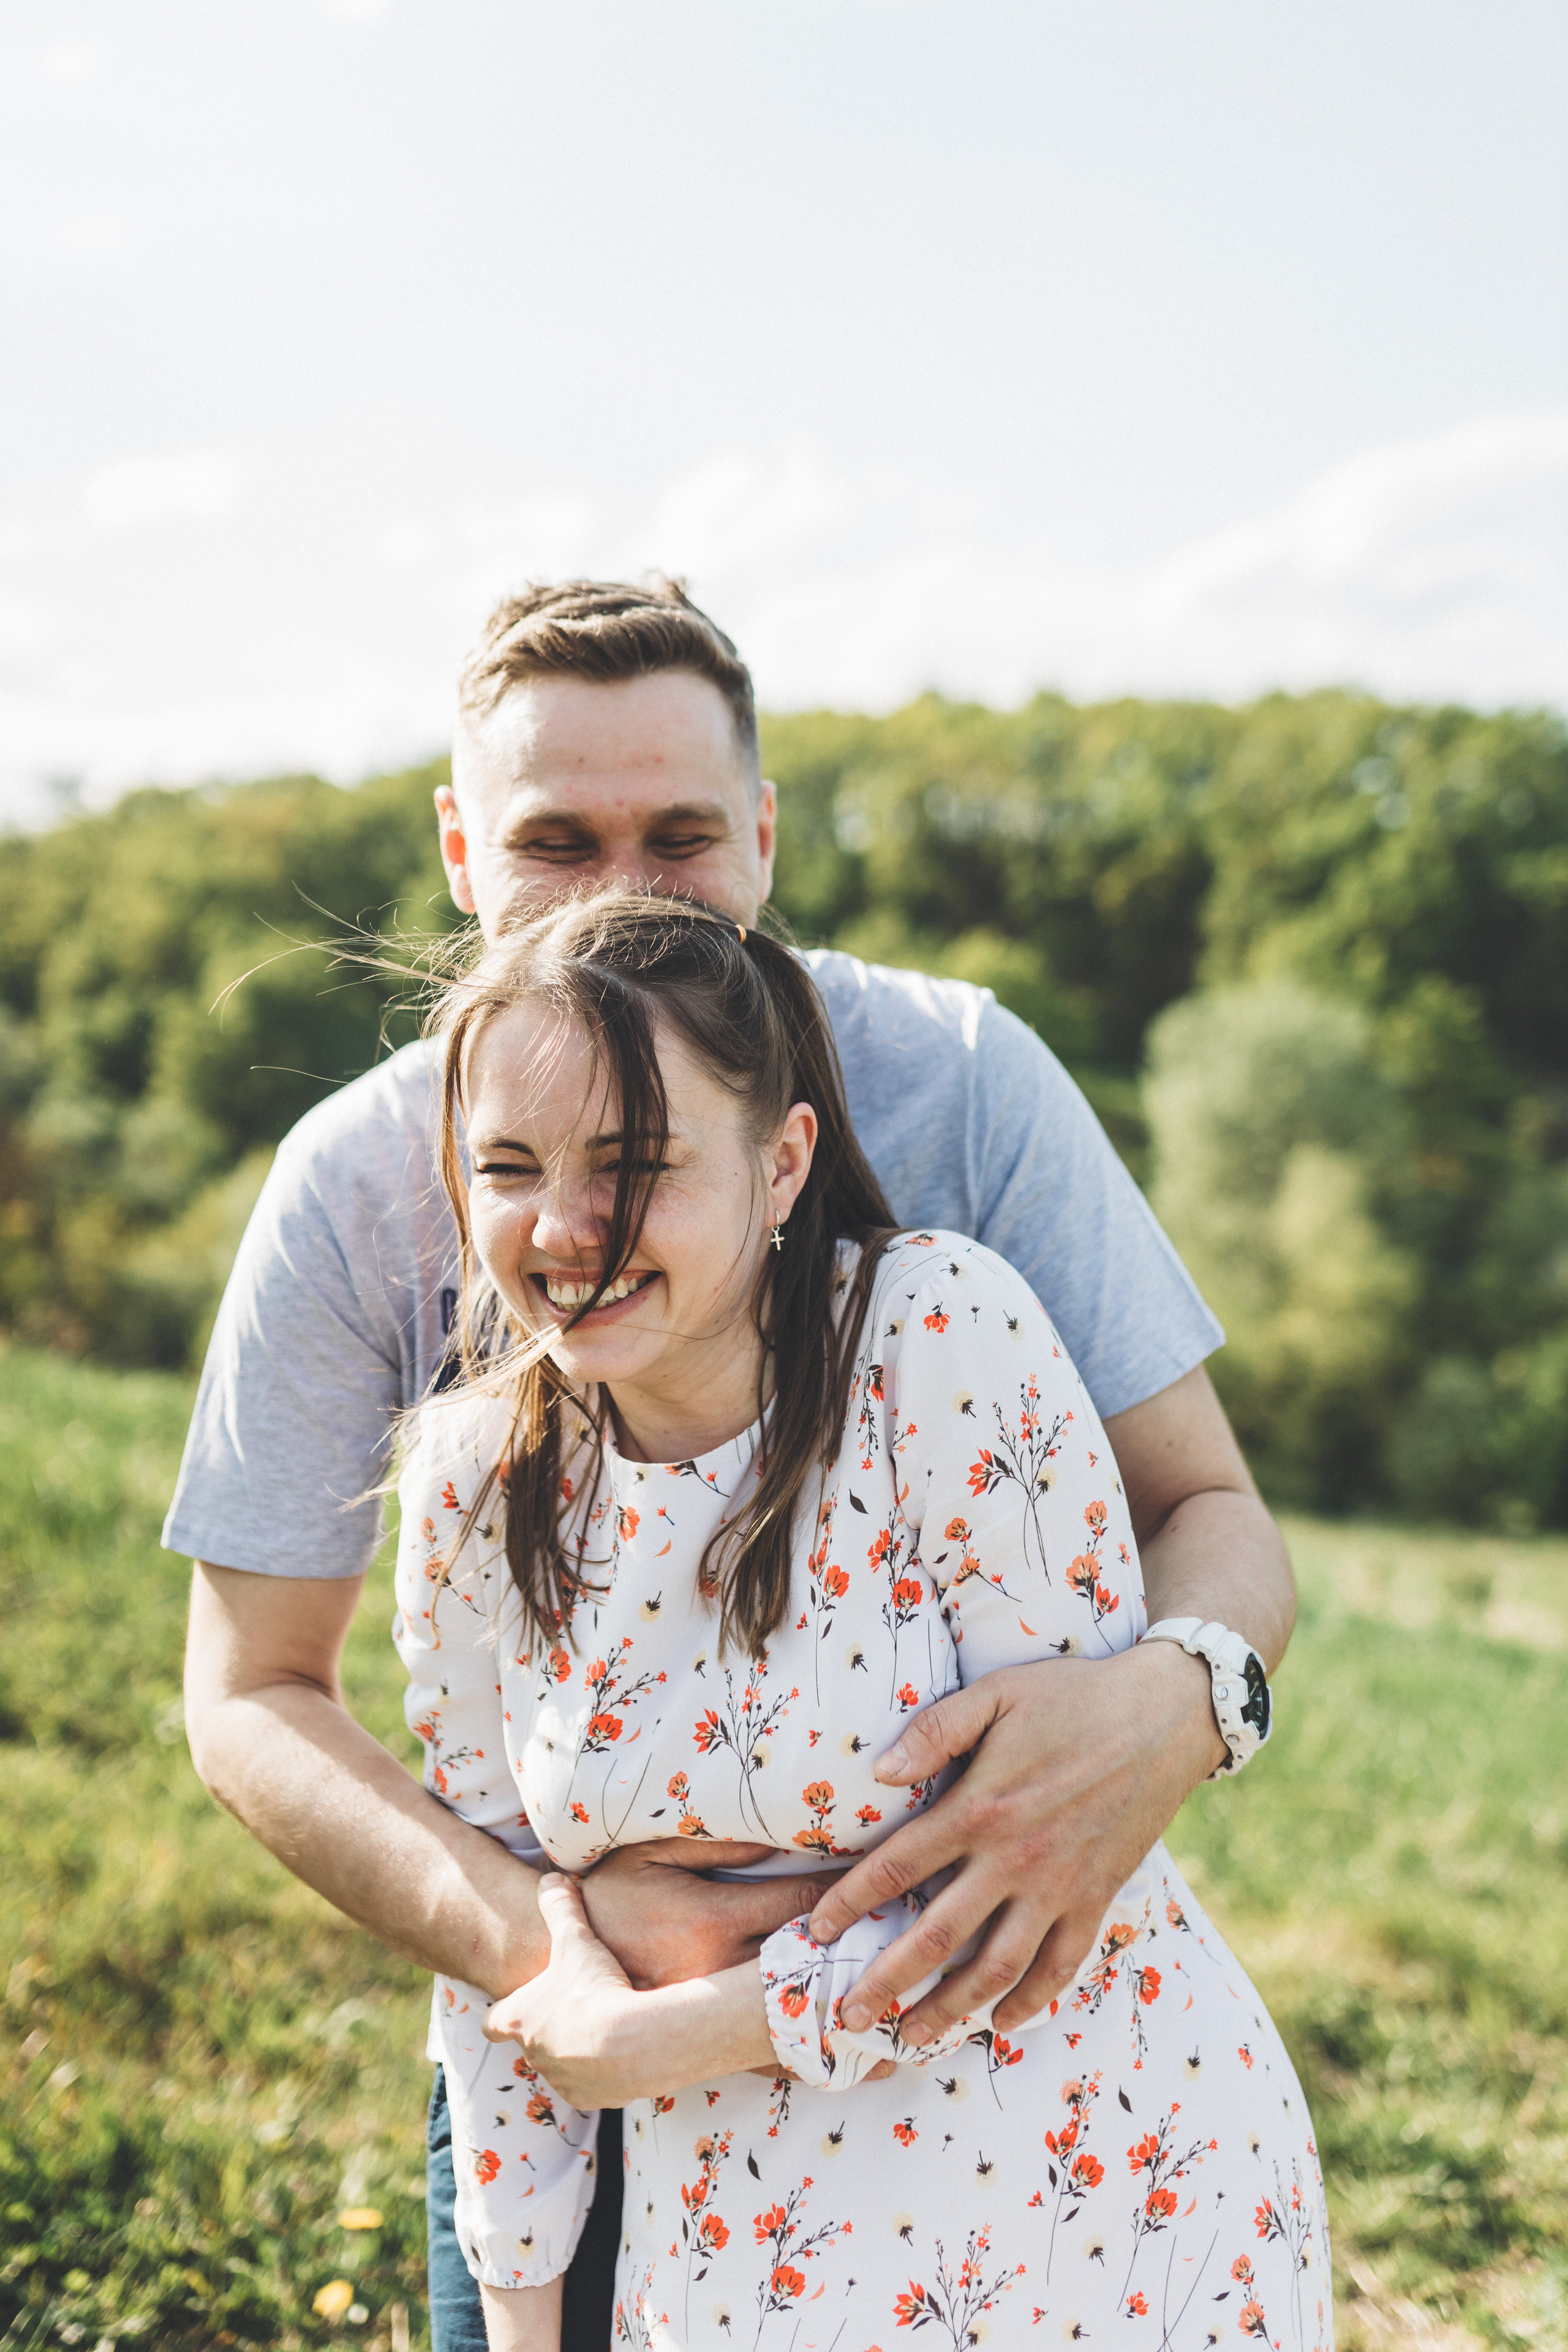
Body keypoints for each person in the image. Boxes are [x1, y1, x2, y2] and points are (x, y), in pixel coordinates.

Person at [170, 578, 1296, 2351]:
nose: (625, 890)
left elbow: (1208, 1512)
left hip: (1004, 2102)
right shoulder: (355, 1187)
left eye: (682, 836)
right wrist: (568, 1957)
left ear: (763, 839)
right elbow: (251, 1692)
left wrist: (1177, 1701)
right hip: (585, 2077)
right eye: (558, 841)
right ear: (463, 850)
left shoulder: (965, 1086)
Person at [393, 889, 1329, 2352]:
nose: (564, 1229)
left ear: (781, 1165)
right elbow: (514, 1983)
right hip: (735, 2268)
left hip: (1103, 2210)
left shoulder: (936, 1339)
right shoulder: (468, 1490)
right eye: (508, 1166)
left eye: (634, 1163)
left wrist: (679, 2031)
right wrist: (523, 2322)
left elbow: (1048, 1877)